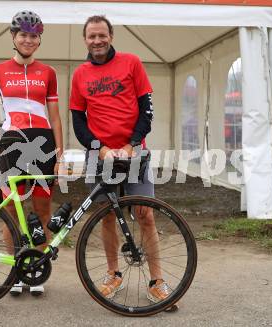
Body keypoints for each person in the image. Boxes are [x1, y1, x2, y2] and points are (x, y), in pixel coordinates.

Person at [69, 15, 177, 311]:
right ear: (85, 40)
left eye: (102, 35)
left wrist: (130, 145)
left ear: (111, 36)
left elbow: (147, 111)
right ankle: (113, 274)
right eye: (91, 36)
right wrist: (99, 148)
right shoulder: (80, 74)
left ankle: (157, 282)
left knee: (146, 215)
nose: (97, 41)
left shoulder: (132, 63)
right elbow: (78, 121)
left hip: (135, 152)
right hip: (99, 155)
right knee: (105, 216)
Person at [0, 11, 63, 297]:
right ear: (13, 37)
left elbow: (55, 116)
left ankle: (36, 269)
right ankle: (16, 269)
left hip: (43, 142)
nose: (28, 40)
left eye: (34, 35)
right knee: (12, 212)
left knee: (42, 210)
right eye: (23, 34)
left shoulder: (48, 72)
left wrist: (60, 153)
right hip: (12, 142)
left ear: (39, 40)